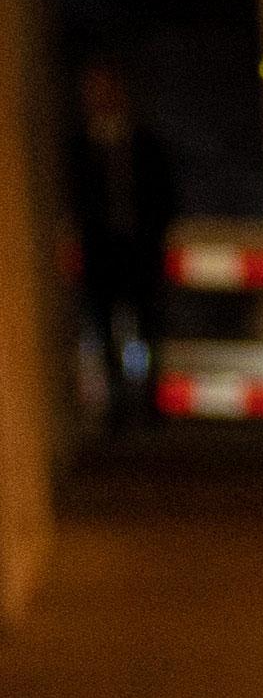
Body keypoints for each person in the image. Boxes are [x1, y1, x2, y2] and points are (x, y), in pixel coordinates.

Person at [56, 59, 173, 429]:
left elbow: (163, 193)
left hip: (139, 249)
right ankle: (118, 405)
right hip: (101, 251)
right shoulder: (78, 149)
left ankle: (150, 401)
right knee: (105, 327)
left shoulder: (144, 143)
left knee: (147, 324)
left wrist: (154, 233)